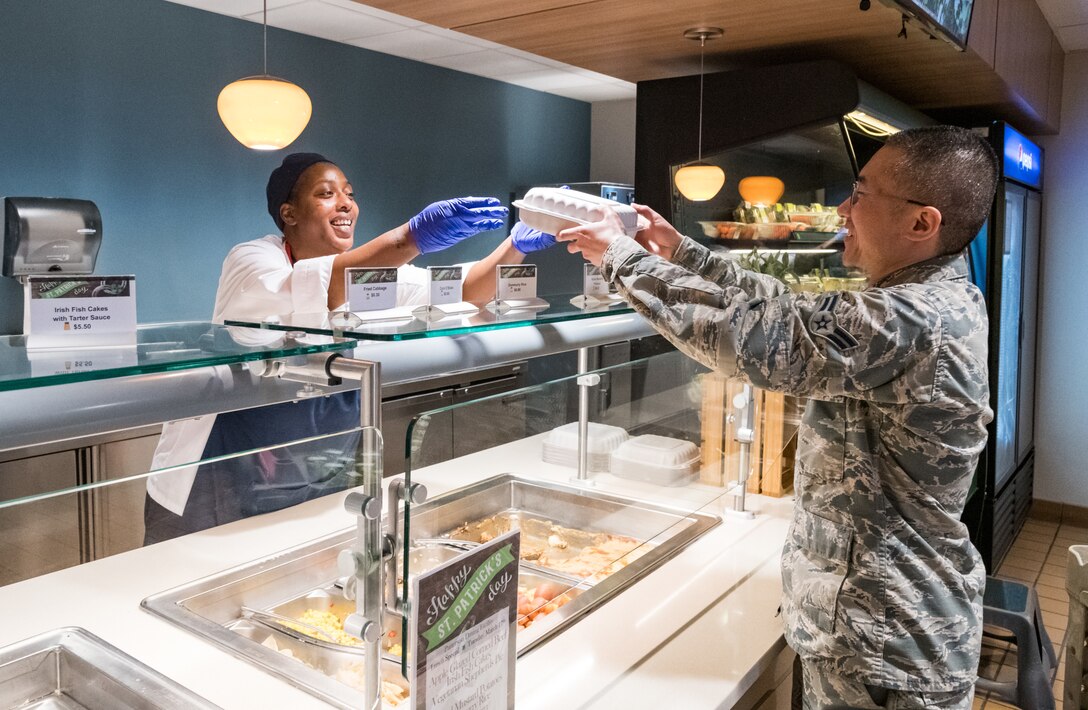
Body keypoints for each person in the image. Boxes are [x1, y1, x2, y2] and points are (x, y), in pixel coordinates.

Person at [557, 126, 998, 709]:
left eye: (860, 195)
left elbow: (753, 337)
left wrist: (621, 257)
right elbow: (794, 309)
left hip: (888, 648)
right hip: (878, 633)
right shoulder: (926, 299)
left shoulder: (912, 319)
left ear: (923, 223)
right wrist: (683, 254)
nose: (843, 209)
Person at [144, 152, 555, 544]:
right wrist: (409, 236)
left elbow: (463, 292)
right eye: (326, 194)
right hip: (223, 476)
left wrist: (514, 244)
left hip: (320, 475)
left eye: (350, 194)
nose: (345, 205)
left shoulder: (374, 276)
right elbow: (311, 288)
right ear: (289, 214)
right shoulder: (253, 259)